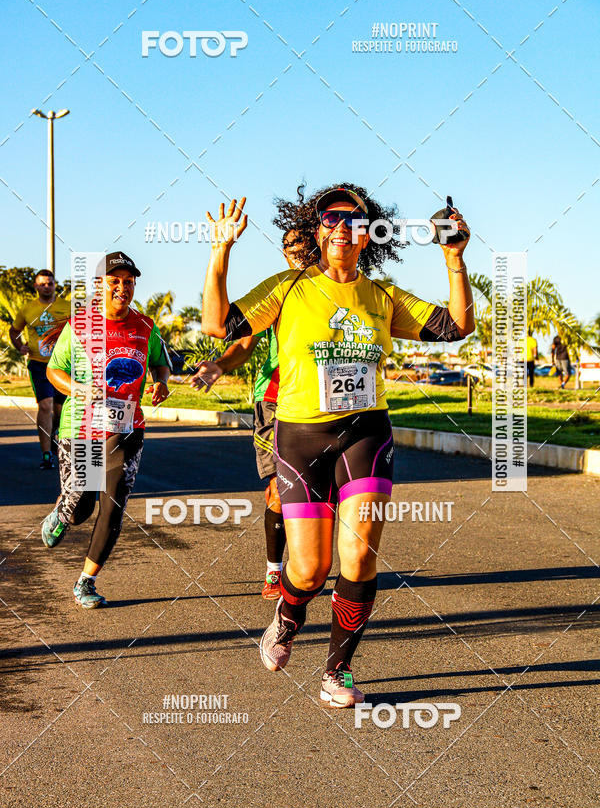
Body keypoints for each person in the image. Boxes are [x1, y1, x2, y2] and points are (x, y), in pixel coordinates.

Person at [201, 185, 474, 707]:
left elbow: (457, 326)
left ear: (371, 233)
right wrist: (221, 251)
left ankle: (338, 669)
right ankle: (286, 617)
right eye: (333, 216)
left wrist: (454, 258)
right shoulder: (288, 287)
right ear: (318, 227)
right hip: (302, 436)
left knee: (360, 552)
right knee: (308, 568)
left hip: (365, 432)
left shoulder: (382, 296)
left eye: (357, 219)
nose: (345, 226)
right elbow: (219, 325)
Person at [191, 228, 317, 599]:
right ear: (283, 253)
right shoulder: (280, 290)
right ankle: (276, 571)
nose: (300, 253)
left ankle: (310, 563)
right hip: (275, 399)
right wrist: (219, 365)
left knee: (320, 491)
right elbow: (243, 343)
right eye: (292, 247)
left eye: (306, 245)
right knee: (279, 491)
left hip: (322, 402)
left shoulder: (339, 288)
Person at [40, 252, 171, 608]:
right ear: (100, 285)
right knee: (81, 505)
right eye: (114, 281)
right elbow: (55, 371)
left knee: (112, 506)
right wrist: (79, 389)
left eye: (128, 282)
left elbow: (161, 365)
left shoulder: (145, 326)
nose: (122, 287)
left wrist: (161, 383)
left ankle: (86, 581)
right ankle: (64, 511)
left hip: (126, 428)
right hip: (82, 427)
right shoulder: (80, 325)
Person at [9, 269, 71, 468]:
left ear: (55, 285)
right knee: (45, 405)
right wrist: (20, 347)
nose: (46, 287)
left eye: (50, 283)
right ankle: (47, 455)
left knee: (60, 409)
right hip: (38, 364)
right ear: (36, 286)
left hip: (63, 365)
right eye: (42, 284)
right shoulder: (28, 309)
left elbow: (80, 329)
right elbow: (14, 331)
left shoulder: (67, 307)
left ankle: (55, 436)